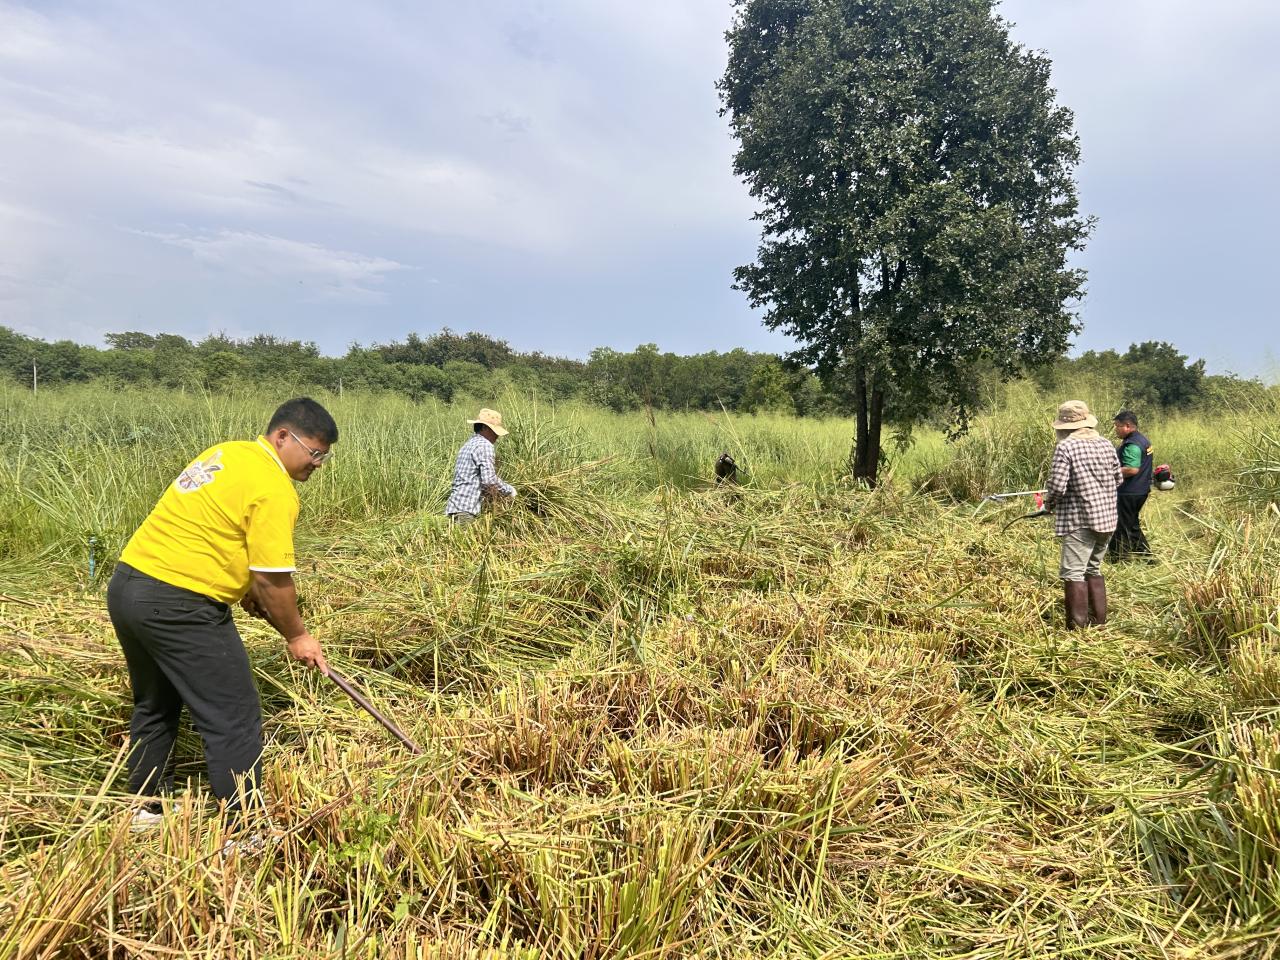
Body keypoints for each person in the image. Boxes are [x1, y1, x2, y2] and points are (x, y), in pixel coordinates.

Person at [108, 398, 336, 825]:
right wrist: (298, 636)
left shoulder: (227, 453)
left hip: (129, 587)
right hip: (181, 604)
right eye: (315, 452)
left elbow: (215, 532)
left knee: (155, 703)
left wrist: (245, 588)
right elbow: (273, 580)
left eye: (324, 456)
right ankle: (245, 827)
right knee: (234, 714)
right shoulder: (273, 486)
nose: (319, 464)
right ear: (283, 436)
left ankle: (145, 807)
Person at [1043, 400, 1123, 629]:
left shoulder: (1066, 447)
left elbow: (1057, 486)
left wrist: (1049, 505)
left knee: (1073, 573)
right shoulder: (1106, 444)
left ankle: (1077, 628)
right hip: (1107, 519)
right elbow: (1118, 479)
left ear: (1064, 427)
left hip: (1080, 520)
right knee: (1093, 569)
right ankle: (1098, 622)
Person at [445, 408, 516, 525]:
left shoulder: (468, 444)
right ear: (485, 428)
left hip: (454, 508)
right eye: (494, 431)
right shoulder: (485, 445)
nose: (497, 436)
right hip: (466, 511)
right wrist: (509, 490)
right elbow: (489, 481)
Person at [1108, 409, 1154, 560]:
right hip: (1140, 489)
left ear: (1127, 426)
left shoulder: (1132, 444)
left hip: (1130, 491)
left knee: (1121, 525)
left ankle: (1119, 557)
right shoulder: (1143, 440)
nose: (1116, 430)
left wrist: (1109, 472)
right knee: (1131, 524)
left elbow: (1132, 469)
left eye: (1117, 426)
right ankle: (1145, 556)